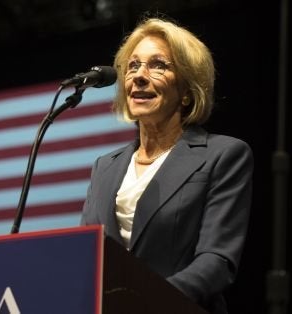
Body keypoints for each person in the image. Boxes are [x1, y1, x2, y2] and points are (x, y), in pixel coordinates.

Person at [80, 17, 253, 314]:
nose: (139, 76)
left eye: (158, 65)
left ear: (187, 90)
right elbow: (86, 256)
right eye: (133, 66)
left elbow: (216, 261)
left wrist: (145, 302)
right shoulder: (104, 167)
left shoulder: (224, 155)